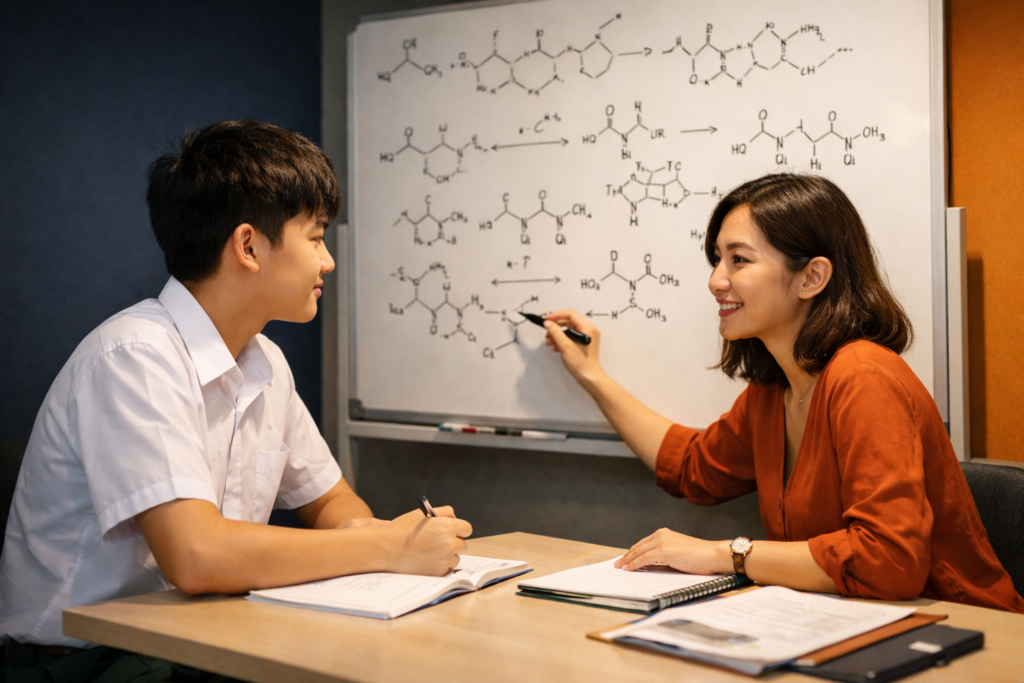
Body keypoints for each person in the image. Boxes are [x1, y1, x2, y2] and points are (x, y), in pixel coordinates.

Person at [0, 120, 472, 676]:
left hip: (201, 639)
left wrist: (382, 535)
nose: (328, 262)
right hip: (89, 662)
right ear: (248, 246)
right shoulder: (134, 355)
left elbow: (333, 503)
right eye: (317, 237)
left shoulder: (264, 359)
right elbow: (197, 557)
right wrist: (387, 549)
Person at [542, 173, 1023, 613]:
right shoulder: (774, 392)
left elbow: (889, 562)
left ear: (812, 277)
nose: (715, 281)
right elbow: (691, 466)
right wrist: (592, 375)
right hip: (845, 624)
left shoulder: (864, 376)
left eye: (739, 260)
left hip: (964, 633)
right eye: (716, 260)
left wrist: (725, 554)